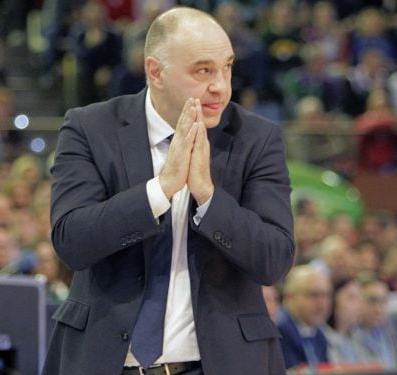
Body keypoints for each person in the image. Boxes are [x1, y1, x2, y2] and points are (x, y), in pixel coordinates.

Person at [42, 6, 294, 375]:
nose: (220, 86)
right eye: (202, 70)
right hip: (106, 362)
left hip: (218, 363)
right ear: (155, 72)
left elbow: (274, 258)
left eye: (226, 67)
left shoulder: (256, 139)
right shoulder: (89, 128)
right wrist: (159, 191)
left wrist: (208, 196)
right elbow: (72, 240)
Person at [276, 265, 331, 370]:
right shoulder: (280, 331)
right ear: (290, 296)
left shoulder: (320, 334)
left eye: (326, 295)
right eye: (314, 295)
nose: (322, 303)